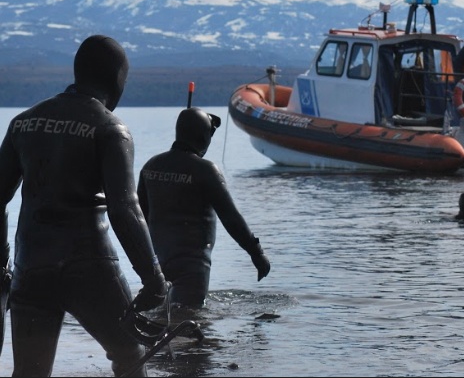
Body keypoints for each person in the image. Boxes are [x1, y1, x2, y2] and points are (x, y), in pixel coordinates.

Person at [0, 35, 169, 377]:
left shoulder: (23, 122)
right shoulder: (110, 127)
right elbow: (125, 209)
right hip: (90, 268)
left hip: (31, 267)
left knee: (29, 372)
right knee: (130, 355)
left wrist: (3, 261)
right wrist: (153, 277)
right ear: (117, 80)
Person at [137, 107, 271, 310]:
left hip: (158, 263)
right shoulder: (205, 170)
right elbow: (231, 217)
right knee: (188, 321)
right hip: (192, 267)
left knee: (163, 318)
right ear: (203, 137)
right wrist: (256, 252)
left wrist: (144, 262)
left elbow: (140, 218)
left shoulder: (151, 166)